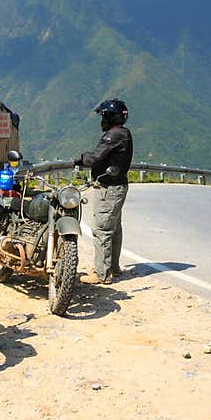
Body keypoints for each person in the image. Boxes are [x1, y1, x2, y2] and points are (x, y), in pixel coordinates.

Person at [74, 98, 133, 285]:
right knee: (114, 229)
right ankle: (113, 268)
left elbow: (95, 158)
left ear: (109, 117)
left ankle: (102, 274)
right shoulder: (124, 133)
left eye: (103, 116)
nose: (101, 120)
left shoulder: (113, 135)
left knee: (102, 230)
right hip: (118, 186)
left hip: (108, 188)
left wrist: (81, 158)